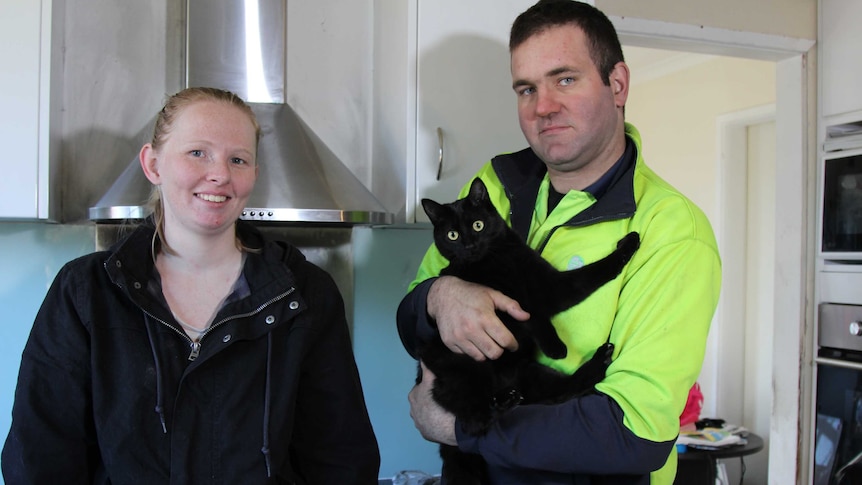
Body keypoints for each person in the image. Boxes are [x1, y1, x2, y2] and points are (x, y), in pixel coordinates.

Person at [397, 1, 721, 484]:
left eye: (565, 79)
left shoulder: (673, 232)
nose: (542, 106)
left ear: (617, 84)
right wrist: (439, 296)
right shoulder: (495, 184)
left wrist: (462, 428)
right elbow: (410, 320)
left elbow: (633, 435)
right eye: (526, 88)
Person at [2, 87, 380, 484]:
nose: (219, 174)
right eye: (197, 152)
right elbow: (39, 459)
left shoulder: (305, 293)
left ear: (253, 173)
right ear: (153, 164)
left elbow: (340, 458)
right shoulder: (85, 292)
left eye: (238, 159)